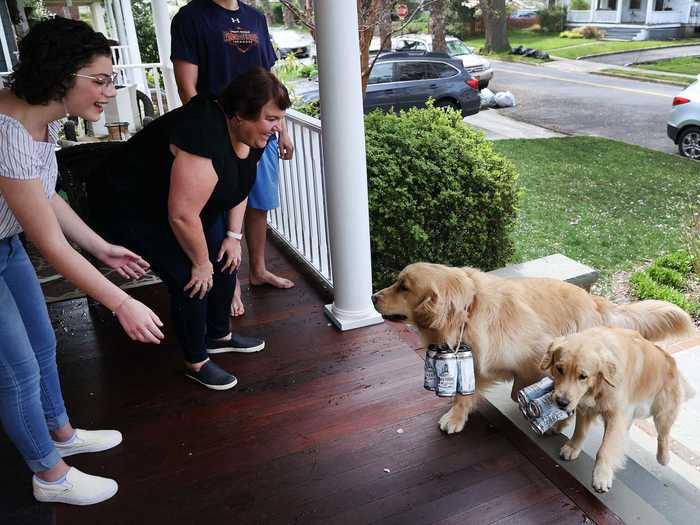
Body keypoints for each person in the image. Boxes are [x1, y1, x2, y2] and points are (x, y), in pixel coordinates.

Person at [0, 18, 165, 505]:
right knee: (17, 371)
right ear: (60, 75)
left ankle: (61, 432)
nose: (109, 91)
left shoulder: (40, 119)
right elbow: (50, 244)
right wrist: (121, 303)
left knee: (43, 344)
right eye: (100, 80)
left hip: (6, 247)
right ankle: (50, 476)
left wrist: (99, 246)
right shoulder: (8, 133)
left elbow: (44, 196)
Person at [88, 67, 291, 391]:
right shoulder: (203, 133)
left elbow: (239, 185)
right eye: (271, 118)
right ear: (240, 113)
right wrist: (199, 262)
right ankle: (196, 361)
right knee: (190, 277)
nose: (278, 127)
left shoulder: (252, 134)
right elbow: (182, 215)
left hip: (183, 206)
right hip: (131, 206)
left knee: (225, 259)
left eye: (280, 118)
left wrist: (233, 237)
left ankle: (218, 335)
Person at [171, 0, 295, 318]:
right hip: (222, 130)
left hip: (258, 129)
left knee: (258, 202)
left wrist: (280, 127)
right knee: (218, 208)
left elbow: (270, 80)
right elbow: (187, 86)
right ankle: (230, 283)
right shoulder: (191, 17)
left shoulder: (254, 17)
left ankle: (257, 269)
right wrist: (210, 131)